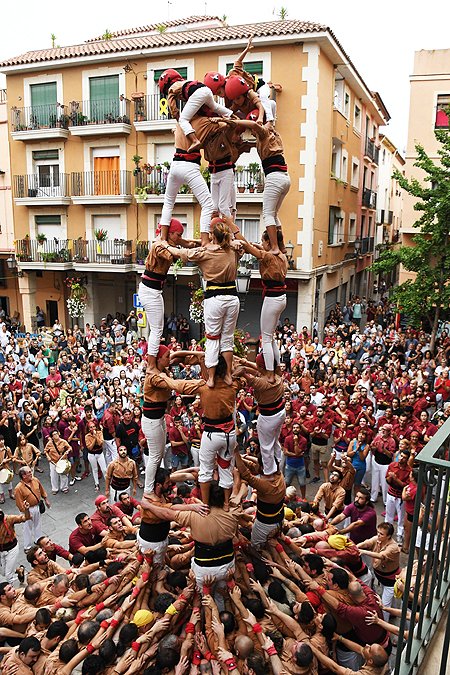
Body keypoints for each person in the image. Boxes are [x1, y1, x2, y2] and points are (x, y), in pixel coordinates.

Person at [164, 218, 241, 385]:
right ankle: (228, 374)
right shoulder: (233, 250)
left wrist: (166, 246)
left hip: (215, 298)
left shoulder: (206, 253)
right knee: (227, 338)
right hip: (233, 298)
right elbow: (238, 244)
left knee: (213, 338)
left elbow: (182, 254)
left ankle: (212, 378)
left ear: (213, 235)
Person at [358, 522, 401, 620]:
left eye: (381, 534)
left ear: (388, 536)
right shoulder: (378, 539)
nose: (378, 535)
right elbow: (367, 542)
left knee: (384, 606)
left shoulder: (393, 547)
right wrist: (356, 547)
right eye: (378, 532)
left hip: (390, 580)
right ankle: (394, 613)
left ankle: (384, 624)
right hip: (380, 576)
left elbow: (382, 555)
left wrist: (364, 552)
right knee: (391, 600)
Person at [14, 466, 50, 552]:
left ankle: (38, 540)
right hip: (27, 510)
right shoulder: (18, 488)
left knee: (38, 524)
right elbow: (19, 503)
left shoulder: (35, 480)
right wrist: (26, 513)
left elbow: (41, 490)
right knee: (27, 528)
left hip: (37, 506)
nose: (31, 473)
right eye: (29, 472)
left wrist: (46, 499)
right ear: (23, 476)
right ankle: (27, 546)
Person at [0, 504, 30, 583]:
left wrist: (26, 510)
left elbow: (25, 518)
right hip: (1, 550)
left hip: (11, 549)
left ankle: (13, 590)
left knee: (8, 574)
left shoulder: (9, 519)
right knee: (3, 572)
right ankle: (20, 570)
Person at [44, 429, 71, 495]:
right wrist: (48, 457)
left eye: (57, 433)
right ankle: (55, 489)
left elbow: (69, 447)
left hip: (62, 460)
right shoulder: (50, 443)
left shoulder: (63, 441)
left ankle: (64, 488)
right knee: (53, 475)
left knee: (64, 475)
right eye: (54, 435)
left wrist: (67, 451)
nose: (56, 435)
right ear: (52, 437)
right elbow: (45, 451)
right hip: (53, 461)